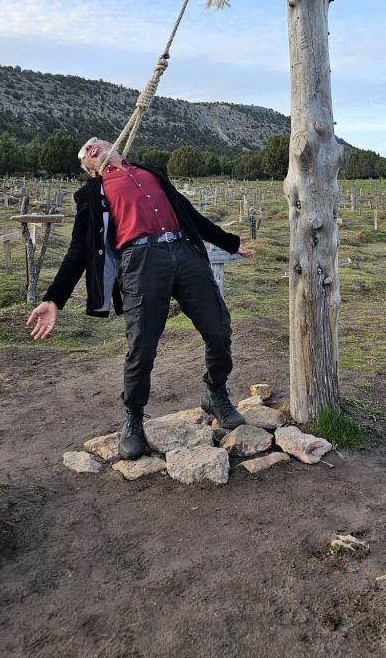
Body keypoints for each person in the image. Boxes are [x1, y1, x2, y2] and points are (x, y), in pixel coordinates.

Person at [27, 137, 254, 460]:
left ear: (115, 144)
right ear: (89, 169)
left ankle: (215, 393)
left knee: (219, 329)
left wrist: (229, 242)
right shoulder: (93, 192)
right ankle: (133, 416)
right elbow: (79, 248)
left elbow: (188, 213)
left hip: (184, 253)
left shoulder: (152, 172)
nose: (91, 147)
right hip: (140, 261)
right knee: (142, 346)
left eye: (95, 143)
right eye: (85, 152)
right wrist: (54, 299)